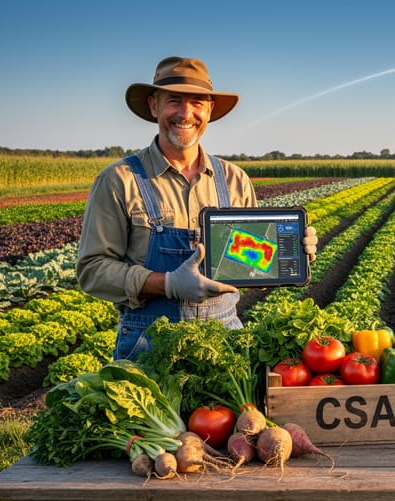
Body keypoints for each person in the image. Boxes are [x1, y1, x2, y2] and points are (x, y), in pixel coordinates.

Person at [77, 56, 317, 361]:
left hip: (223, 338)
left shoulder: (234, 179)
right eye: (174, 101)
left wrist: (291, 252)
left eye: (197, 103)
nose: (185, 113)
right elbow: (92, 270)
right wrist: (167, 284)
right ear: (154, 107)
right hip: (149, 342)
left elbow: (252, 262)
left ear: (209, 110)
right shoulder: (119, 180)